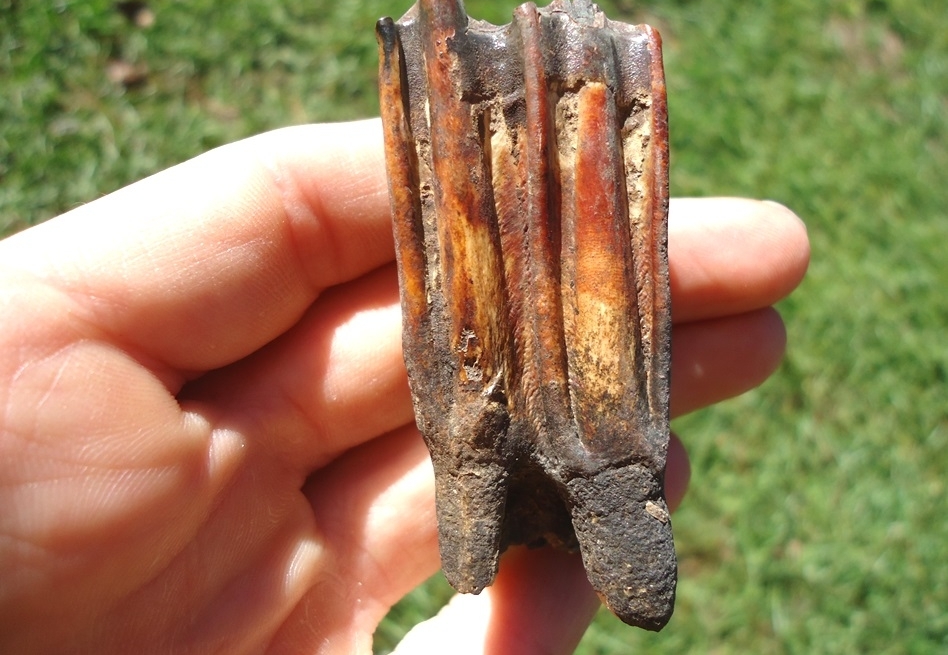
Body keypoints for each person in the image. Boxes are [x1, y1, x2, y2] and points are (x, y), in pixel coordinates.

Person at [0, 120, 809, 653]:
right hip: (492, 409)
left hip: (592, 421)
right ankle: (509, 493)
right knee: (481, 486)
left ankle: (587, 493)